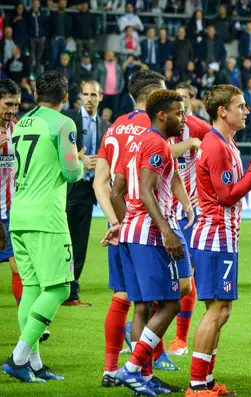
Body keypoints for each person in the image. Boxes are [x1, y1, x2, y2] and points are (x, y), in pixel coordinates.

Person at [1, 70, 91, 382]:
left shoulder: (21, 122)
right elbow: (70, 173)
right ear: (66, 98)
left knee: (32, 288)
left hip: (19, 214)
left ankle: (34, 365)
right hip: (46, 217)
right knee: (60, 287)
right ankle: (18, 357)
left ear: (36, 95)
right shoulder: (64, 123)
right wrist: (80, 162)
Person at [185, 84, 251, 396]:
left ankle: (207, 381)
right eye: (241, 106)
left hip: (222, 238)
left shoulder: (226, 143)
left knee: (220, 311)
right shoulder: (217, 147)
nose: (246, 111)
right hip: (214, 237)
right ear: (222, 111)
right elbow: (226, 196)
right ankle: (197, 386)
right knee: (217, 311)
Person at [111, 89, 194, 396]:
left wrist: (123, 224)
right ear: (163, 115)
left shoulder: (134, 142)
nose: (183, 119)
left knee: (142, 307)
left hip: (132, 234)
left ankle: (141, 378)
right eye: (179, 112)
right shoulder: (157, 144)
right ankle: (132, 369)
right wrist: (167, 231)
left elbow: (116, 191)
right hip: (151, 235)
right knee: (172, 303)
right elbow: (146, 191)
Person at [92, 70, 169, 388]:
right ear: (153, 97)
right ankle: (143, 374)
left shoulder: (114, 128)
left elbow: (101, 183)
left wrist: (115, 223)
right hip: (147, 226)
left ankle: (112, 370)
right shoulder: (153, 127)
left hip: (122, 225)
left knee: (123, 296)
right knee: (152, 302)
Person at [166, 82, 212, 357]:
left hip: (188, 214)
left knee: (188, 275)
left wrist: (202, 195)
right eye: (177, 99)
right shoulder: (161, 128)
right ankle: (144, 335)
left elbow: (218, 157)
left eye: (185, 100)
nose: (180, 106)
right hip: (160, 211)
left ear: (193, 102)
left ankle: (180, 339)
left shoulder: (201, 129)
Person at [63, 80, 109, 306]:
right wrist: (79, 159)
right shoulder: (68, 119)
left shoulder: (105, 125)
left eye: (94, 94)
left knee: (79, 242)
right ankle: (61, 287)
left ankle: (71, 290)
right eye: (86, 94)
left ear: (101, 97)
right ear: (80, 96)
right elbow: (59, 149)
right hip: (68, 188)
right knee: (64, 241)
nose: (89, 98)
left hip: (87, 191)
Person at [0, 79, 21, 307]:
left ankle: (26, 322)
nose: (12, 110)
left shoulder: (19, 129)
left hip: (10, 211)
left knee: (19, 266)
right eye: (7, 104)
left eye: (16, 105)